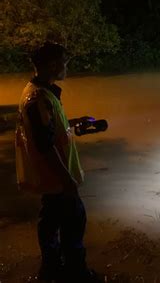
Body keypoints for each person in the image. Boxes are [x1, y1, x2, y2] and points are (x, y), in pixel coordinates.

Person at [15, 42, 100, 282]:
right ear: (52, 64)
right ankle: (76, 273)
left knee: (50, 221)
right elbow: (45, 145)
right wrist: (67, 179)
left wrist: (73, 123)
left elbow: (49, 129)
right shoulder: (38, 98)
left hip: (49, 178)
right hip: (56, 177)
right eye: (64, 62)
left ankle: (51, 269)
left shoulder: (38, 91)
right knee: (75, 220)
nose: (66, 67)